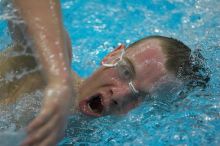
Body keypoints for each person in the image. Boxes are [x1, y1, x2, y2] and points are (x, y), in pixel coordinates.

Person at [0, 0, 209, 146]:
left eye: (141, 97)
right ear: (111, 56)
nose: (119, 95)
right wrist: (58, 79)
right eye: (126, 72)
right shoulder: (44, 63)